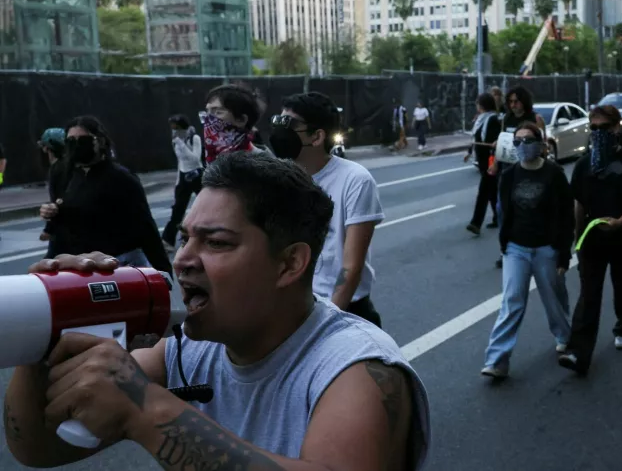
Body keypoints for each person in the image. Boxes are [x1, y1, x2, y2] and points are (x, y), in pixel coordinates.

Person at [5, 152, 431, 471]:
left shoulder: (358, 369)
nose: (184, 259)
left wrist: (143, 408)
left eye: (217, 242)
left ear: (289, 264)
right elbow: (38, 449)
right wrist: (46, 330)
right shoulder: (184, 351)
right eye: (186, 238)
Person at [271, 92, 387, 327]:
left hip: (341, 312)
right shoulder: (277, 179)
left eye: (289, 124)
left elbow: (351, 267)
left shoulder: (356, 180)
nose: (280, 131)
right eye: (278, 121)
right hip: (290, 306)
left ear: (316, 136)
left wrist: (325, 323)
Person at [558, 105, 622, 375]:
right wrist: (577, 240)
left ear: (616, 128)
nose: (598, 133)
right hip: (592, 241)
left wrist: (620, 222)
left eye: (604, 128)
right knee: (589, 295)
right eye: (594, 128)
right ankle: (578, 352)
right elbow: (578, 204)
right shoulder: (583, 164)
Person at [482, 122, 574, 378]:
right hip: (516, 248)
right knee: (512, 301)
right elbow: (503, 211)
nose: (523, 146)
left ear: (540, 144)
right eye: (518, 141)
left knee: (554, 298)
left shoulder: (554, 174)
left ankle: (565, 337)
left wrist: (564, 253)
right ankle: (496, 360)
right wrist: (504, 244)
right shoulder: (509, 175)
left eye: (528, 140)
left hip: (547, 248)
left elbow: (566, 216)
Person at [38, 116, 170, 273]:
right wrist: (51, 214)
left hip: (118, 264)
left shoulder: (121, 178)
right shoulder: (62, 173)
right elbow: (60, 214)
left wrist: (163, 273)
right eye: (71, 141)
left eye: (83, 140)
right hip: (79, 266)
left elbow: (146, 228)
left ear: (99, 141)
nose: (77, 145)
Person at [490, 86, 548, 268]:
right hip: (508, 171)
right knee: (502, 209)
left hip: (530, 171)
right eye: (510, 102)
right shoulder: (507, 119)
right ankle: (505, 248)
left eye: (516, 101)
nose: (513, 105)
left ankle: (536, 245)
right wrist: (495, 163)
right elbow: (502, 145)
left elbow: (543, 146)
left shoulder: (535, 119)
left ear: (524, 101)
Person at [161, 114, 204, 253]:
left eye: (176, 127)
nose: (174, 131)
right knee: (177, 210)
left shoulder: (194, 138)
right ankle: (167, 240)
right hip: (184, 176)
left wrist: (181, 143)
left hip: (197, 175)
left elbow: (195, 159)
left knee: (207, 204)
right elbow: (181, 161)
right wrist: (179, 180)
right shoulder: (175, 140)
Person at [201, 84, 269, 163]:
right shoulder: (211, 159)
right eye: (207, 112)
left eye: (218, 112)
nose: (207, 119)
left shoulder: (262, 162)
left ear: (241, 120)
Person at [466, 94, 501, 234]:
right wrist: (469, 151)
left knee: (483, 191)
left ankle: (476, 223)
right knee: (492, 191)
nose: (477, 106)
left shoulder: (493, 119)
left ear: (483, 105)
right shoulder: (480, 120)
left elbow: (494, 142)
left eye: (478, 103)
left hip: (490, 160)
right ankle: (498, 217)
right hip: (481, 160)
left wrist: (493, 161)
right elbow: (475, 138)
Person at [37, 128, 67, 246]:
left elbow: (57, 202)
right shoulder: (68, 164)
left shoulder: (57, 169)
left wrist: (48, 230)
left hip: (63, 230)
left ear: (46, 148)